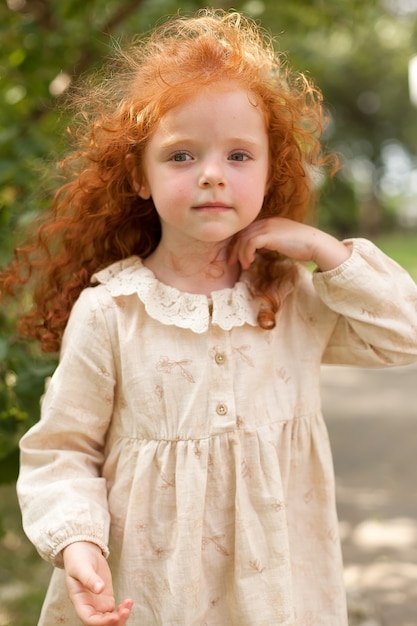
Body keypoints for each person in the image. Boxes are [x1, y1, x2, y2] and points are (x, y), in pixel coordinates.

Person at [2, 8, 417, 626]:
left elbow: (402, 337)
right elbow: (62, 450)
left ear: (272, 168)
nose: (213, 175)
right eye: (180, 156)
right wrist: (77, 541)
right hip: (151, 594)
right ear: (139, 177)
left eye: (241, 156)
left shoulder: (292, 293)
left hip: (280, 591)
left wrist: (328, 253)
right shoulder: (114, 310)